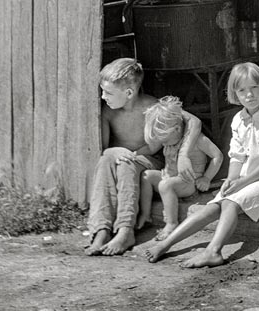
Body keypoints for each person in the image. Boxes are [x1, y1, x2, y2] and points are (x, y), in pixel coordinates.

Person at [146, 62, 259, 269]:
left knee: (230, 203)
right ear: (235, 93)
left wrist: (242, 182)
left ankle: (213, 251)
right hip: (245, 180)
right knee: (213, 206)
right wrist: (232, 179)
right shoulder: (239, 119)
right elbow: (237, 157)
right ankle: (166, 244)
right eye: (242, 90)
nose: (249, 94)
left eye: (254, 88)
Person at [86, 58, 202, 256]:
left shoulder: (151, 107)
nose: (103, 97)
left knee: (125, 164)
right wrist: (117, 152)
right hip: (122, 159)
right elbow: (104, 150)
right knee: (107, 159)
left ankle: (125, 229)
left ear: (129, 93)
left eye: (108, 92)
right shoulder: (108, 113)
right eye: (102, 91)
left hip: (151, 159)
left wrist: (183, 154)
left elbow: (194, 121)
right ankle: (102, 229)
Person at [137, 95, 224, 239]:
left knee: (165, 186)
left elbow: (217, 156)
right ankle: (146, 215)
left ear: (177, 128)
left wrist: (206, 178)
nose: (163, 145)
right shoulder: (169, 139)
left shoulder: (197, 139)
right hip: (171, 179)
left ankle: (171, 223)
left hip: (188, 182)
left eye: (165, 140)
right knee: (146, 176)